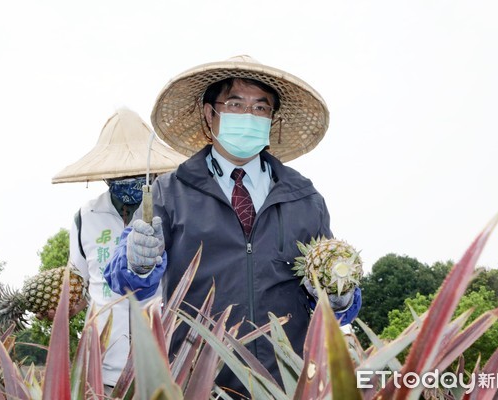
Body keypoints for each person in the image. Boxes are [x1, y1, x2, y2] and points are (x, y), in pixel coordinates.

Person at [104, 56, 362, 397]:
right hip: (196, 379)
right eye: (235, 104)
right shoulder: (170, 192)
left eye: (260, 108)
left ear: (272, 120)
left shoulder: (304, 197)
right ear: (210, 115)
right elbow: (125, 283)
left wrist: (340, 298)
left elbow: (333, 304)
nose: (248, 116)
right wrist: (137, 264)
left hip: (288, 381)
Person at [51, 107, 186, 390]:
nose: (130, 182)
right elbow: (80, 285)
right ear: (107, 175)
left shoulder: (170, 212)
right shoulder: (85, 216)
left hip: (162, 365)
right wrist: (56, 307)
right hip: (101, 370)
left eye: (138, 174)